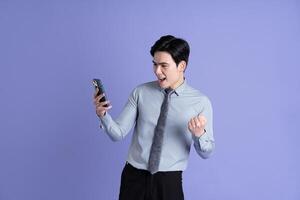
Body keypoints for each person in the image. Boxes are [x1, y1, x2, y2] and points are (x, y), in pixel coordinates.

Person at [93, 35, 215, 200]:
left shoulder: (200, 102)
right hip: (133, 178)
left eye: (164, 65)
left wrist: (199, 134)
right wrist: (104, 115)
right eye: (155, 64)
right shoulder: (140, 92)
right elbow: (118, 133)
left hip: (168, 182)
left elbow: (207, 153)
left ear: (182, 66)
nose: (157, 71)